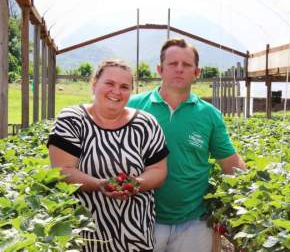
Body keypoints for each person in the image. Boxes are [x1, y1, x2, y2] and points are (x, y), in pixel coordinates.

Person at [127, 38, 246, 252]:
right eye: (173, 64)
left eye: (187, 65)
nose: (179, 70)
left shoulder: (209, 114)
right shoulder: (134, 107)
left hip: (193, 223)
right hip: (141, 218)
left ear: (197, 73)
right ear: (160, 69)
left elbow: (230, 160)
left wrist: (253, 193)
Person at [47, 59, 169, 252]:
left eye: (124, 87)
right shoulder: (72, 120)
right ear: (95, 83)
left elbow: (158, 170)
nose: (116, 91)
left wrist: (136, 183)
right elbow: (62, 170)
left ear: (131, 91)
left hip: (136, 237)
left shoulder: (145, 124)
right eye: (109, 84)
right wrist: (98, 184)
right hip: (84, 238)